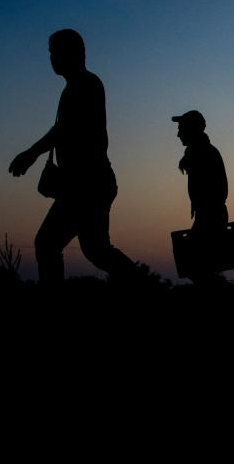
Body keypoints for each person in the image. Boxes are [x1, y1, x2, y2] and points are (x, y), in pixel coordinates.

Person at [8, 29, 138, 283]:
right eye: (51, 53)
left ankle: (139, 281)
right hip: (83, 185)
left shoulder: (86, 85)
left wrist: (31, 153)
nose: (52, 58)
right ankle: (139, 281)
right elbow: (62, 130)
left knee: (51, 244)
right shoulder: (73, 88)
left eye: (55, 52)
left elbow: (64, 130)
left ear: (74, 53)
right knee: (93, 250)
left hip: (88, 185)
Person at [173, 110, 229, 285]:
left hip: (210, 217)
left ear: (192, 129)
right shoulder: (199, 152)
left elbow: (216, 192)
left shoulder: (202, 153)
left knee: (197, 269)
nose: (178, 134)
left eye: (181, 128)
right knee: (200, 270)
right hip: (209, 216)